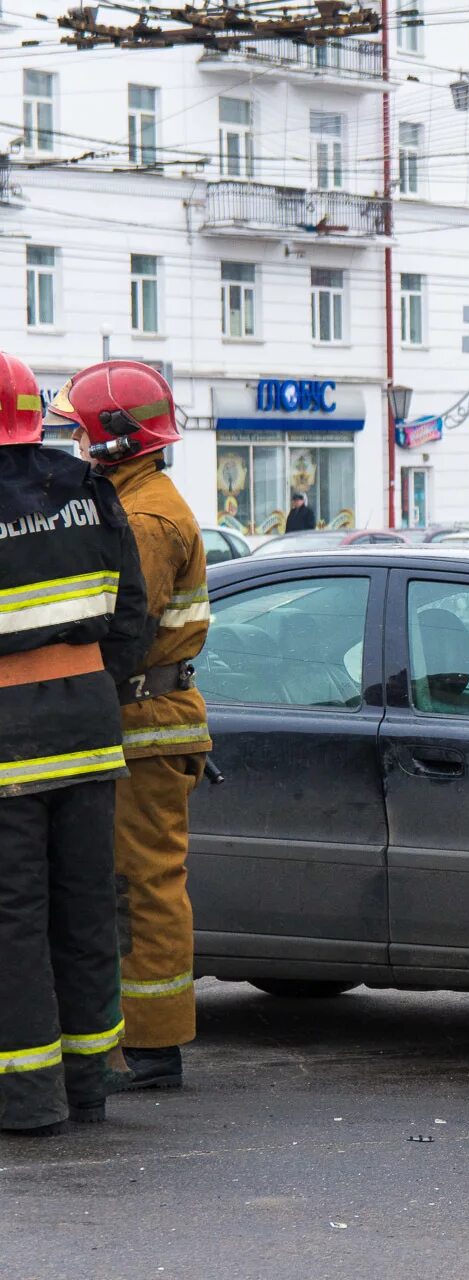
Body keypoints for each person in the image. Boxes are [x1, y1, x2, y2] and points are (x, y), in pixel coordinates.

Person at [48, 361, 211, 1094]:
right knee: (126, 882)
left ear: (114, 439)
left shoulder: (145, 517)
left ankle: (152, 1047)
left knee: (142, 884)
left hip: (145, 722)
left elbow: (122, 629)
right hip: (142, 719)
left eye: (81, 431)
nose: (74, 442)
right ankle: (135, 1040)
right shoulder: (132, 499)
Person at [0, 349, 149, 1135]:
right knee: (85, 905)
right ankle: (88, 1084)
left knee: (13, 916)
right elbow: (133, 618)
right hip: (90, 729)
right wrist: (92, 686)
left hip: (9, 742)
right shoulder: (90, 488)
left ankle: (26, 1099)